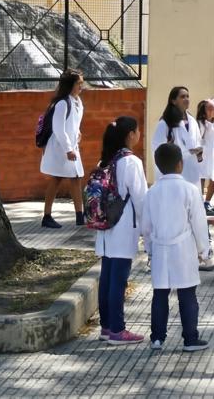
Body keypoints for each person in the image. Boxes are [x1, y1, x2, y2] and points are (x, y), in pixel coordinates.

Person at [144, 142, 212, 352]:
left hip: (160, 247)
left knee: (160, 294)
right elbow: (199, 223)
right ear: (180, 164)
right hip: (183, 248)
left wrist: (149, 250)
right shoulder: (190, 190)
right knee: (187, 294)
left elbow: (146, 226)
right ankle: (190, 338)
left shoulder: (152, 191)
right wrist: (204, 250)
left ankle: (157, 338)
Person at [94, 116, 149, 345]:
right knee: (118, 280)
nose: (139, 134)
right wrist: (149, 231)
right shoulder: (131, 162)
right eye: (137, 131)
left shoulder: (104, 161)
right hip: (123, 226)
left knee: (106, 277)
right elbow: (141, 199)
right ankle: (118, 330)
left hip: (105, 227)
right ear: (130, 135)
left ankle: (106, 327)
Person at [39, 70, 86, 229]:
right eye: (78, 83)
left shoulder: (77, 102)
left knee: (76, 178)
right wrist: (68, 149)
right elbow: (59, 128)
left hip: (71, 147)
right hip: (61, 148)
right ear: (70, 85)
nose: (81, 86)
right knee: (57, 178)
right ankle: (47, 216)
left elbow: (73, 123)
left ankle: (80, 215)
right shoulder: (62, 103)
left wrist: (77, 133)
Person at [153, 86, 202, 190]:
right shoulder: (165, 123)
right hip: (174, 172)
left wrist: (199, 152)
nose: (187, 99)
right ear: (173, 101)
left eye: (188, 96)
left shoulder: (192, 121)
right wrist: (187, 152)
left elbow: (198, 142)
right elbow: (158, 149)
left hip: (192, 171)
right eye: (182, 97)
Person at [195, 99, 214, 216]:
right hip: (204, 155)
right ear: (204, 112)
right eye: (210, 109)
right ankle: (199, 203)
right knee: (201, 178)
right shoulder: (200, 123)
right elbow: (198, 139)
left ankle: (207, 202)